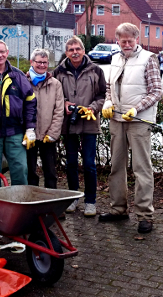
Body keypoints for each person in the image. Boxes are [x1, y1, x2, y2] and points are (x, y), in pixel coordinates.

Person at [100, 23, 163, 233]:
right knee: (117, 167)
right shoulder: (115, 58)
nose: (126, 44)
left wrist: (136, 109)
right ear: (117, 40)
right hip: (117, 120)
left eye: (130, 40)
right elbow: (109, 86)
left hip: (138, 121)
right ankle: (119, 210)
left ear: (137, 39)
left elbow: (156, 92)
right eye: (122, 40)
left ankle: (145, 216)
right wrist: (108, 103)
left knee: (141, 169)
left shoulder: (148, 59)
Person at [52, 36, 106, 217]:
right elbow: (54, 94)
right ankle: (73, 197)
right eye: (70, 49)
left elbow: (102, 95)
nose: (75, 52)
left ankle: (90, 201)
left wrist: (93, 108)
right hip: (68, 123)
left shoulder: (96, 70)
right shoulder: (58, 71)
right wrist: (65, 103)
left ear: (84, 50)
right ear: (66, 52)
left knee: (90, 164)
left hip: (89, 122)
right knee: (71, 163)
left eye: (78, 49)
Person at [0, 39, 37, 188]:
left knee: (20, 169)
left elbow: (30, 101)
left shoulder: (18, 76)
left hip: (15, 131)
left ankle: (20, 203)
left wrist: (30, 128)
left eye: (2, 51)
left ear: (7, 53)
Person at [26, 48, 64, 189]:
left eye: (45, 62)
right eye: (39, 62)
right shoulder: (24, 81)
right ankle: (32, 201)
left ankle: (51, 204)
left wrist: (53, 133)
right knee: (30, 171)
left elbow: (59, 111)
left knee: (50, 172)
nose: (42, 65)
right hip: (28, 135)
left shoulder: (55, 84)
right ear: (32, 62)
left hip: (48, 135)